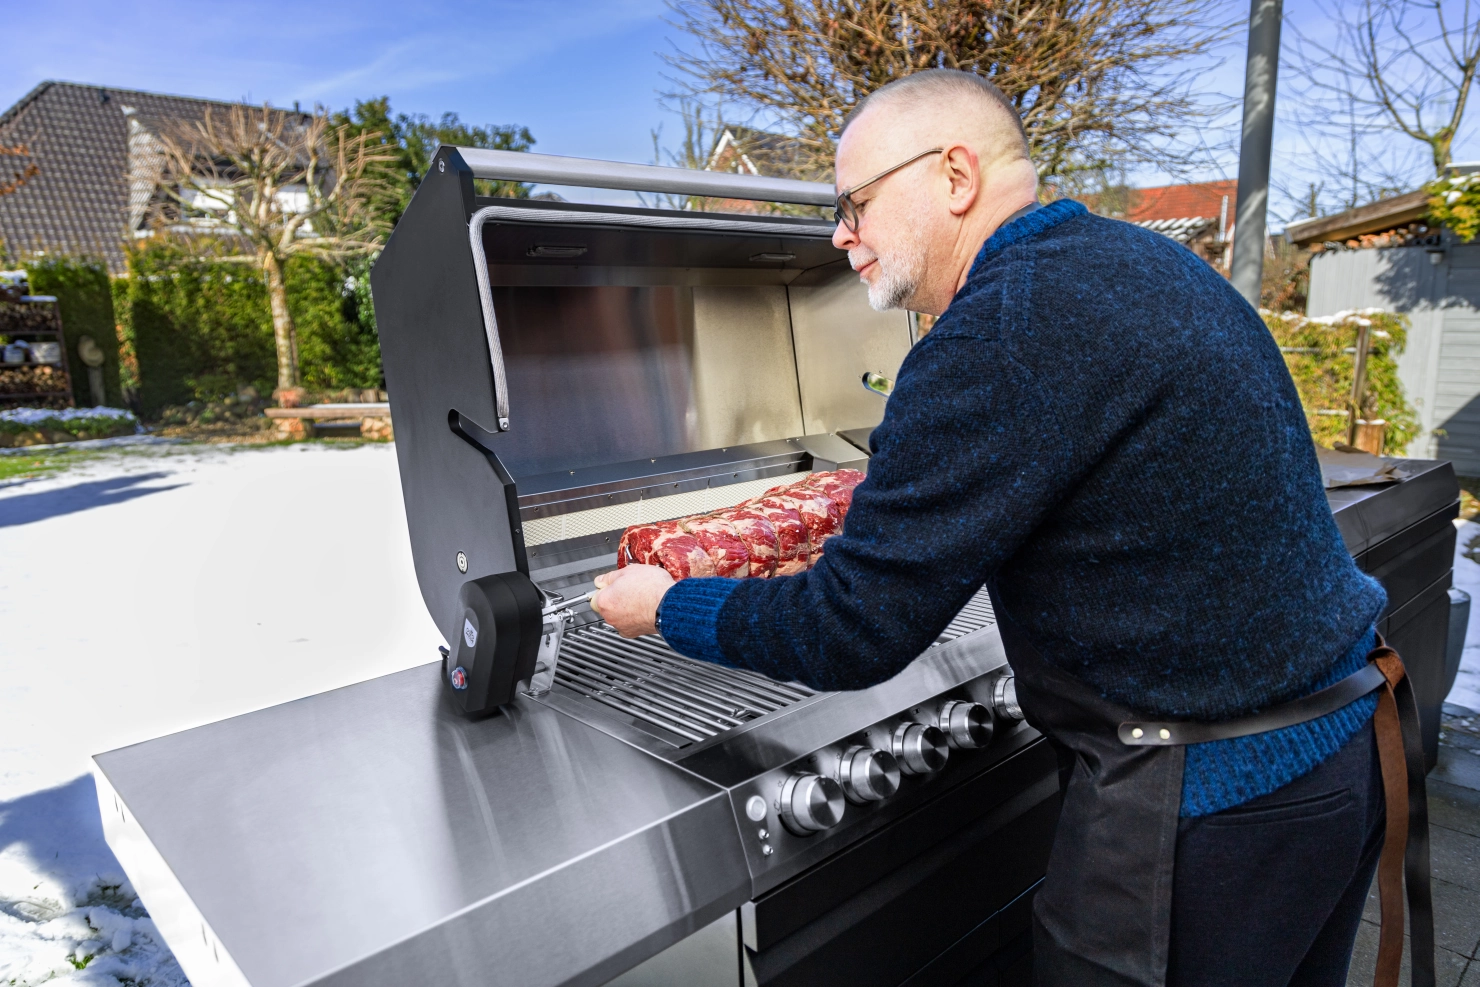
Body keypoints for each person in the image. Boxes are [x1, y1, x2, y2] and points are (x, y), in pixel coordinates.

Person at [591, 69, 1400, 986]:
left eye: (853, 201)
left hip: (1207, 809)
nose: (838, 233)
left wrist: (666, 604)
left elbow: (849, 627)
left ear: (955, 175)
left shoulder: (999, 331)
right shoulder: (1147, 261)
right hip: (1341, 753)